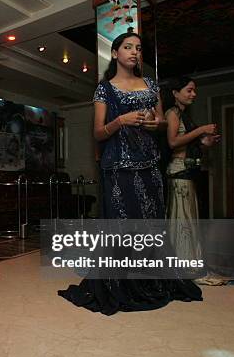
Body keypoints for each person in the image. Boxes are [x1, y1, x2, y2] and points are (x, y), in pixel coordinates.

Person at [58, 32, 202, 315]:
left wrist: (154, 123)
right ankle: (122, 283)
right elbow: (99, 132)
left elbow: (162, 122)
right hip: (118, 168)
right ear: (115, 53)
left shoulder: (150, 84)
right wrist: (120, 120)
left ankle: (151, 279)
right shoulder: (104, 89)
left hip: (149, 164)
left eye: (138, 48)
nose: (134, 52)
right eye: (127, 47)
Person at [162, 77, 227, 285]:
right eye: (189, 90)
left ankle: (191, 266)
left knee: (189, 221)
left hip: (188, 172)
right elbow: (172, 142)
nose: (193, 94)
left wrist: (205, 141)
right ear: (175, 92)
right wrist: (200, 131)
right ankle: (186, 270)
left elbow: (188, 143)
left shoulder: (185, 116)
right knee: (183, 223)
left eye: (194, 91)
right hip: (178, 174)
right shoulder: (172, 113)